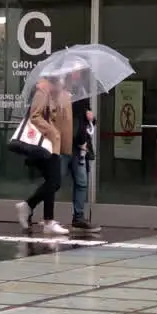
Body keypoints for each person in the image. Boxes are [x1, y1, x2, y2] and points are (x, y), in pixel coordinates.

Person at [16, 76, 73, 235]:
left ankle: (43, 217)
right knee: (54, 182)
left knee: (52, 182)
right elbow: (35, 116)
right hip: (45, 144)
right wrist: (52, 131)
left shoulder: (56, 93)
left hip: (53, 144)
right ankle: (33, 209)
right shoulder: (42, 92)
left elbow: (59, 118)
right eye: (61, 78)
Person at [69, 92, 100, 233]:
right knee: (54, 182)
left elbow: (86, 122)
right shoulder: (64, 94)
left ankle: (78, 217)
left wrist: (91, 118)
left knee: (82, 182)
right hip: (68, 145)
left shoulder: (82, 93)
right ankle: (32, 206)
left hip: (80, 147)